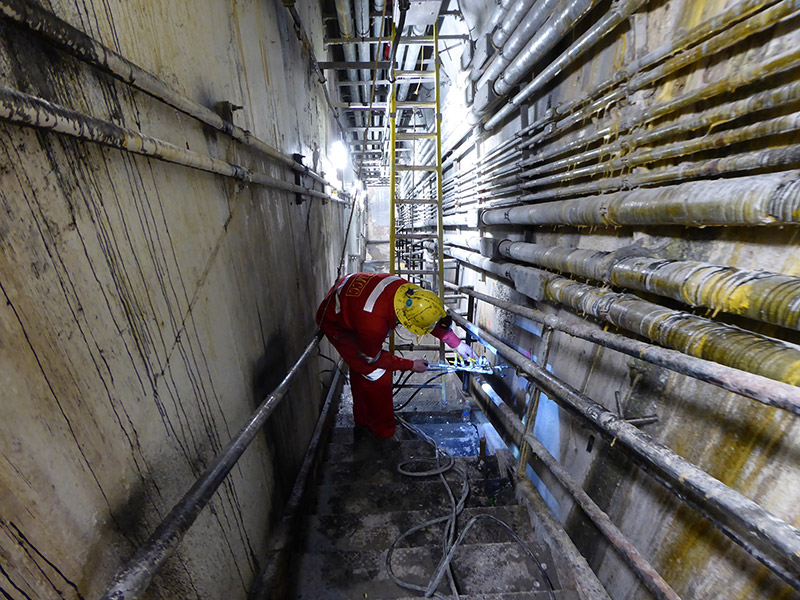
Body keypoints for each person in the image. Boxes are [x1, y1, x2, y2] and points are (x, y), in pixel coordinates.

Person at [316, 272, 477, 439]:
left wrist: (457, 343)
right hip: (334, 319)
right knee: (375, 373)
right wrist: (410, 365)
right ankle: (383, 433)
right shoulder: (372, 325)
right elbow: (373, 358)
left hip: (349, 292)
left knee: (362, 368)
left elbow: (425, 320)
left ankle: (362, 422)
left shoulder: (409, 293)